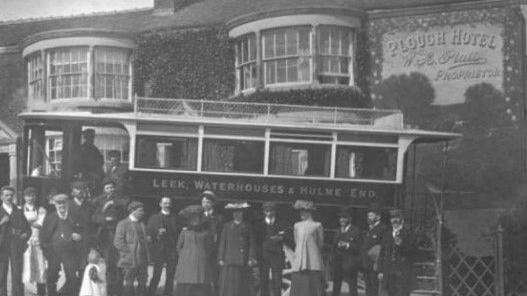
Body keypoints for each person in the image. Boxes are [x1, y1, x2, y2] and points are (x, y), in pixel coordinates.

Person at [40, 194, 84, 296]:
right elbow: (43, 236)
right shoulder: (50, 218)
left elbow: (84, 231)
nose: (61, 206)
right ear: (55, 205)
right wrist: (47, 252)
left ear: (67, 203)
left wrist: (80, 236)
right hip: (53, 252)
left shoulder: (75, 217)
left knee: (72, 276)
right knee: (52, 275)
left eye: (63, 203)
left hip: (70, 252)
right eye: (58, 204)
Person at [92, 179, 128, 296]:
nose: (110, 190)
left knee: (119, 262)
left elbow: (125, 207)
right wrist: (104, 211)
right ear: (104, 189)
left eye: (111, 187)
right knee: (109, 262)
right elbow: (94, 217)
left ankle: (119, 289)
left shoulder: (120, 199)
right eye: (107, 188)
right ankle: (109, 289)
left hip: (118, 233)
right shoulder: (99, 200)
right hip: (105, 234)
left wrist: (114, 203)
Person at [217, 202, 257, 296]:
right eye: (234, 212)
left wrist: (251, 258)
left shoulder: (247, 226)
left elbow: (252, 244)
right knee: (229, 285)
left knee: (242, 285)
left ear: (242, 213)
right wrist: (220, 258)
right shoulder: (227, 226)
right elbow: (223, 242)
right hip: (229, 260)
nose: (236, 214)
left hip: (243, 260)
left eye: (239, 212)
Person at [174, 205, 215, 296]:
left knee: (201, 288)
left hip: (201, 265)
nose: (194, 220)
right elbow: (179, 247)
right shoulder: (184, 232)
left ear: (200, 219)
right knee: (185, 288)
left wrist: (201, 256)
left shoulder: (206, 233)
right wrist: (186, 256)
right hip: (186, 265)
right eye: (192, 218)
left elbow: (209, 248)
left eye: (196, 218)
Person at [147, 196, 182, 296]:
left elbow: (179, 234)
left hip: (172, 250)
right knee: (156, 274)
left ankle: (168, 293)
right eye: (165, 203)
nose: (167, 205)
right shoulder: (154, 218)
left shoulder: (175, 218)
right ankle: (151, 293)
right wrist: (157, 233)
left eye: (169, 203)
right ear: (160, 204)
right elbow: (149, 233)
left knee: (170, 275)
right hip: (159, 250)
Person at [113, 201, 149, 296]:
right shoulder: (123, 223)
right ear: (132, 211)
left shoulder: (142, 224)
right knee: (129, 284)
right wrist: (128, 254)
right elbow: (118, 242)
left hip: (142, 260)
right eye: (140, 211)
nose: (143, 213)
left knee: (142, 283)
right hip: (129, 261)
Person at [0, 186, 31, 296]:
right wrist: (2, 222)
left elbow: (28, 229)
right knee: (1, 273)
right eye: (6, 195)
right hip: (1, 246)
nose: (9, 197)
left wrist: (25, 235)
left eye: (11, 195)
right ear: (1, 196)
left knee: (17, 273)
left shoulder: (18, 211)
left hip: (15, 245)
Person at [378, 209, 417, 296]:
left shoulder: (408, 234)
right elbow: (381, 253)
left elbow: (413, 252)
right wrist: (380, 270)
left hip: (403, 273)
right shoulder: (387, 234)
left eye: (397, 218)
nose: (394, 220)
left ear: (401, 219)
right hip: (389, 272)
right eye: (392, 218)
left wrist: (401, 245)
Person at [290, 200, 324, 296]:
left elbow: (320, 244)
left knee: (312, 289)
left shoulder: (317, 225)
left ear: (310, 212)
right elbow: (296, 241)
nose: (301, 213)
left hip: (312, 262)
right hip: (299, 263)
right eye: (300, 211)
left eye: (304, 211)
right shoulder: (296, 225)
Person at [254, 202, 288, 296]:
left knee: (277, 280)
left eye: (271, 211)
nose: (269, 213)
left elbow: (286, 236)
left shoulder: (281, 223)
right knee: (263, 280)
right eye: (266, 211)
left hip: (277, 256)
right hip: (264, 256)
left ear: (275, 211)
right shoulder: (259, 225)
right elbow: (256, 241)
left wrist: (280, 238)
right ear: (264, 212)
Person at [330, 206, 362, 296]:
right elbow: (333, 248)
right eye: (340, 218)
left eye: (344, 218)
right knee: (336, 288)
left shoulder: (356, 231)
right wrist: (332, 262)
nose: (342, 220)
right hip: (338, 264)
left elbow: (359, 248)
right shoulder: (337, 231)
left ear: (349, 219)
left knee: (352, 289)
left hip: (350, 264)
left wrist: (347, 245)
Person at [21, 187, 47, 296]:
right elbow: (19, 225)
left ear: (35, 197)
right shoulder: (19, 209)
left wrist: (27, 222)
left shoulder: (41, 210)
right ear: (24, 197)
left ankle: (40, 293)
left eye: (32, 195)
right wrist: (32, 221)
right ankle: (26, 293)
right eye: (28, 195)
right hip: (25, 243)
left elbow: (40, 224)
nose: (30, 198)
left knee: (40, 267)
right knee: (25, 268)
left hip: (37, 242)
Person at [361, 203, 388, 296]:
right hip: (367, 266)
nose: (369, 217)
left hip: (375, 266)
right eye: (368, 215)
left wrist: (380, 268)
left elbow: (382, 249)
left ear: (378, 216)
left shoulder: (383, 229)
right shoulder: (368, 229)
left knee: (374, 290)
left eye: (371, 215)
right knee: (368, 289)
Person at [200, 190, 224, 292]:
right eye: (204, 201)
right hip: (202, 251)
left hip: (215, 252)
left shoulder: (219, 218)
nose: (205, 204)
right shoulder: (198, 217)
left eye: (208, 202)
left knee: (216, 277)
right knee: (203, 277)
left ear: (213, 203)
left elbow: (223, 237)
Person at [69, 181, 96, 266]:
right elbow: (63, 222)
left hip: (85, 239)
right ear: (72, 192)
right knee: (71, 266)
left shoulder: (90, 206)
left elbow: (93, 223)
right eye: (77, 189)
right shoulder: (67, 205)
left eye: (81, 189)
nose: (79, 191)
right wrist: (71, 233)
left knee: (83, 265)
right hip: (70, 239)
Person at [78, 129, 105, 193]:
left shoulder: (95, 149)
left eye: (92, 137)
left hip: (97, 178)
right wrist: (92, 174)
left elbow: (100, 162)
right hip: (86, 178)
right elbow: (80, 166)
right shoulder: (82, 149)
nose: (91, 139)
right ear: (85, 137)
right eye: (89, 137)